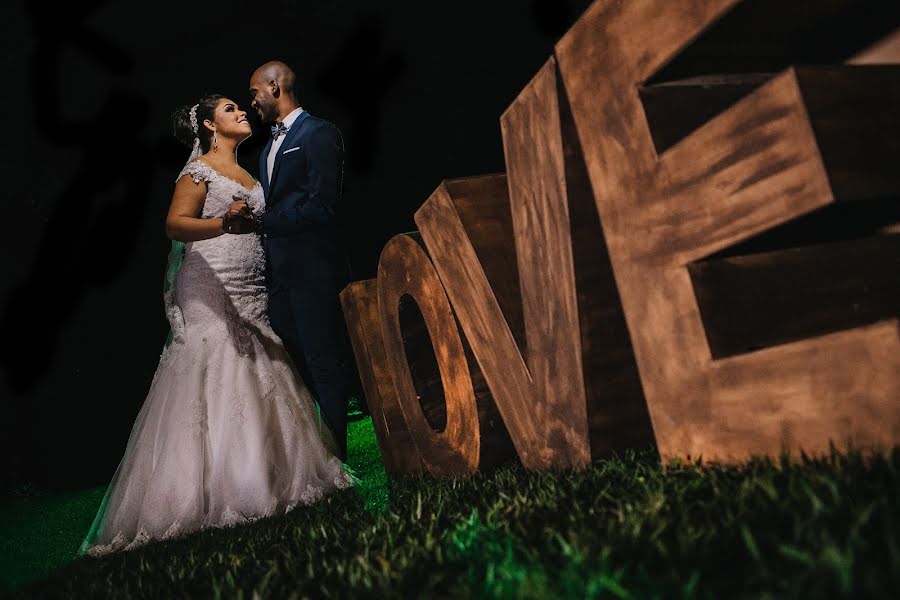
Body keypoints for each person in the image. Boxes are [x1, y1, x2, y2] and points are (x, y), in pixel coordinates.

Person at [79, 94, 352, 557]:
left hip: (251, 283)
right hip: (209, 281)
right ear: (208, 125)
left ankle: (266, 475)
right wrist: (224, 224)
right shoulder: (198, 171)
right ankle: (201, 492)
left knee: (262, 364)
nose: (242, 112)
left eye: (239, 108)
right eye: (230, 109)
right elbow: (174, 225)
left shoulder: (252, 172)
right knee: (216, 361)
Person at [225, 61, 354, 459]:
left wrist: (264, 222)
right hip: (278, 276)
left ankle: (336, 459)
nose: (252, 102)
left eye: (253, 92)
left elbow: (323, 207)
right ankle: (312, 451)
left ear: (275, 86)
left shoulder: (318, 133)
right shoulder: (265, 149)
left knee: (322, 359)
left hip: (312, 268)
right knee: (291, 365)